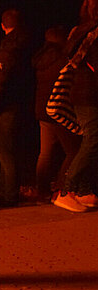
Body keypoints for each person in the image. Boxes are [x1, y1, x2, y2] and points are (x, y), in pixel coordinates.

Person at [53, 0, 98, 212]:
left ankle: (83, 190)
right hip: (89, 93)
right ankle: (66, 190)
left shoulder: (82, 31)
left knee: (91, 140)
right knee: (93, 139)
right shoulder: (93, 33)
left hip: (83, 93)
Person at [0, 9, 32, 206]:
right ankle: (4, 193)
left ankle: (8, 197)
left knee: (5, 154)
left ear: (3, 25)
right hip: (20, 103)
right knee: (10, 151)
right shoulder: (27, 44)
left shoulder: (8, 48)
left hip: (5, 107)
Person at [32, 26, 81, 202]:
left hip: (42, 110)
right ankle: (61, 188)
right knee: (73, 150)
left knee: (45, 153)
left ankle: (42, 190)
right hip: (58, 109)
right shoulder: (62, 58)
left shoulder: (41, 58)